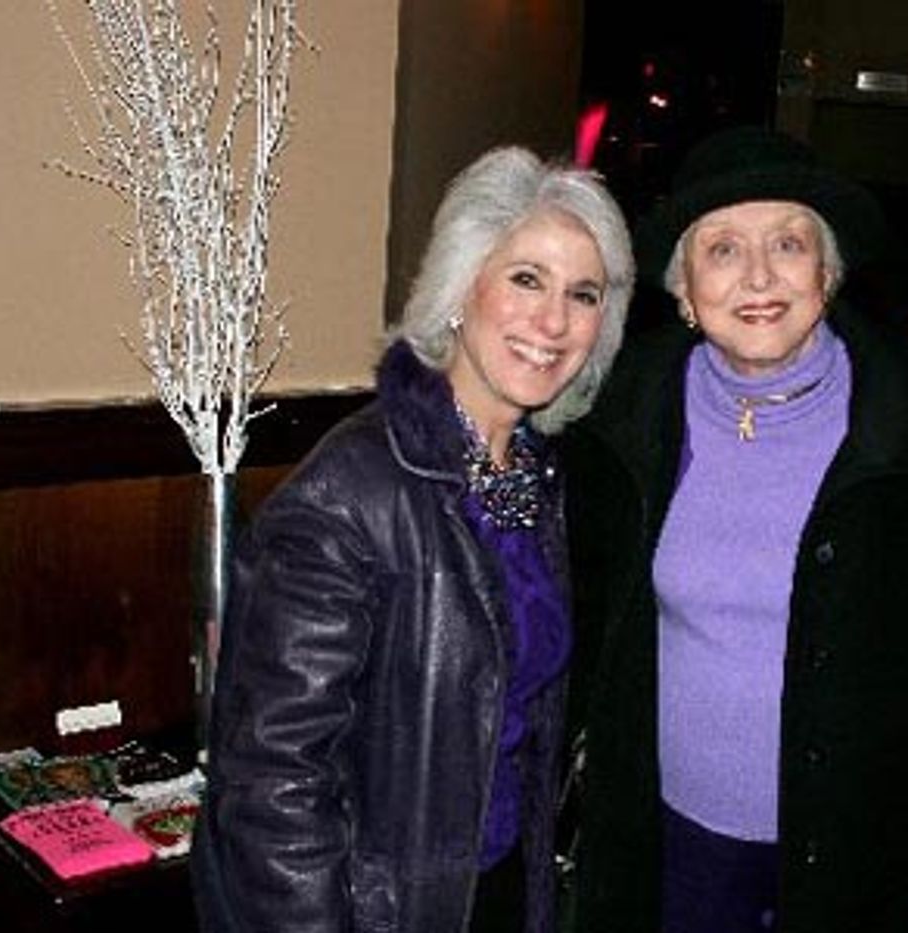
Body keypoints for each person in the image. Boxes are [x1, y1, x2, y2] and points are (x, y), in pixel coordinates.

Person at [562, 126, 908, 933]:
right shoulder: (619, 412)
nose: (758, 276)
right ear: (684, 289)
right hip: (672, 845)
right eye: (722, 250)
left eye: (788, 243)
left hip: (865, 849)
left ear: (827, 270)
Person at [191, 145, 634, 933]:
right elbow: (271, 784)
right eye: (526, 278)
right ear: (461, 287)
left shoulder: (540, 480)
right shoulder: (350, 491)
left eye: (584, 294)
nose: (554, 321)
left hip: (497, 888)